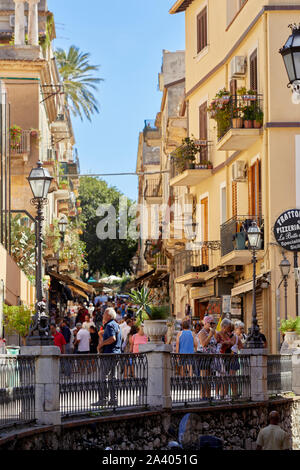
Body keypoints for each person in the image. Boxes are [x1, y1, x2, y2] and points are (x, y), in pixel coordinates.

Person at [92, 308, 122, 407]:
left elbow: (112, 339)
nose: (103, 315)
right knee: (113, 378)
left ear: (108, 315)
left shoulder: (109, 325)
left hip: (109, 354)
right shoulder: (116, 325)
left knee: (103, 377)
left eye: (104, 313)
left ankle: (103, 399)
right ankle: (114, 399)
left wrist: (100, 345)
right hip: (116, 354)